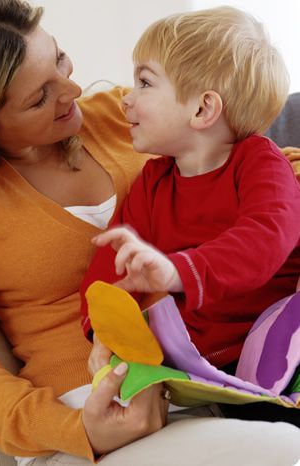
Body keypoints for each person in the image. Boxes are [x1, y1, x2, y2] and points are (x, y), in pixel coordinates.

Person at [0, 2, 299, 466]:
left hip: (213, 376)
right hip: (92, 410)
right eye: (40, 96)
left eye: (60, 60)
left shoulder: (123, 120)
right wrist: (77, 426)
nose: (74, 90)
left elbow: (247, 164)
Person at [80, 7, 300, 376]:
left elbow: (264, 240)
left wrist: (177, 271)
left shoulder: (260, 162)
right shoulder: (153, 181)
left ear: (202, 109)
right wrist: (105, 328)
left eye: (145, 83)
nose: (126, 99)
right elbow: (111, 265)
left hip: (280, 343)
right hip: (204, 358)